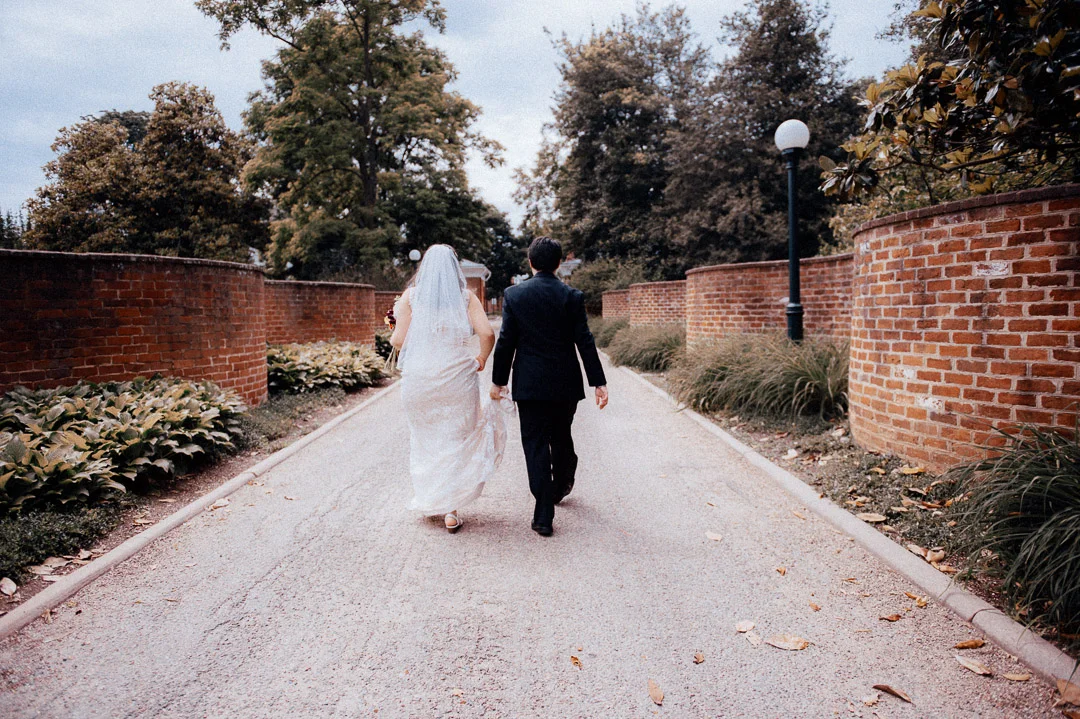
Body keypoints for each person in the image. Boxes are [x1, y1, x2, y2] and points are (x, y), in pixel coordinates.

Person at [490, 236, 608, 537]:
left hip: (529, 384)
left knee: (535, 445)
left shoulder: (515, 295)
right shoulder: (572, 295)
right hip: (565, 383)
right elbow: (585, 339)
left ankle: (544, 514)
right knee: (561, 434)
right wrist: (598, 382)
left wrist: (498, 382)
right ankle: (563, 480)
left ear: (530, 262)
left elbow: (506, 343)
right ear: (558, 264)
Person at [390, 245, 505, 533]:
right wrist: (480, 358)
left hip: (420, 379)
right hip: (456, 376)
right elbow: (488, 333)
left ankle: (431, 498)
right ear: (455, 268)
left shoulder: (411, 298)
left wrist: (402, 326)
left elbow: (398, 341)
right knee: (455, 438)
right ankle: (451, 509)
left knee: (426, 437)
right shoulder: (466, 298)